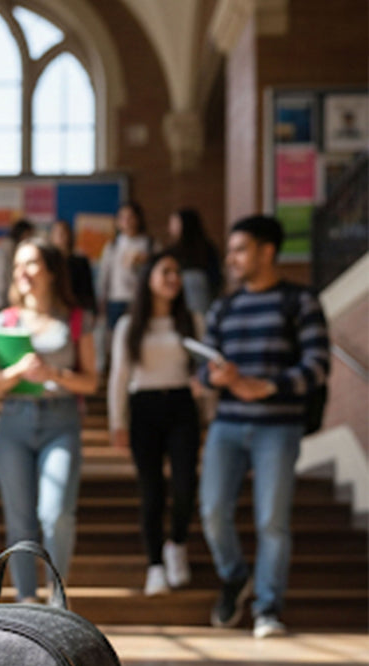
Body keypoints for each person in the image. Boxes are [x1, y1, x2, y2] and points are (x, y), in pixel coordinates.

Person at [198, 214, 330, 638]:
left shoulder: (300, 301)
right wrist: (213, 378)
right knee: (213, 511)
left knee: (272, 521)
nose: (232, 259)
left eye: (240, 249)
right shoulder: (225, 306)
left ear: (267, 250)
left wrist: (268, 386)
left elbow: (319, 366)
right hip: (227, 426)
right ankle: (235, 575)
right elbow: (202, 371)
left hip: (278, 427)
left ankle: (268, 608)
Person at [0, 238, 98, 601]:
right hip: (14, 421)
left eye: (31, 264)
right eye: (18, 265)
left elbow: (91, 381)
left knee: (56, 513)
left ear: (51, 271)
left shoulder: (76, 318)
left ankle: (56, 598)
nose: (22, 272)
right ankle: (26, 599)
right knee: (19, 518)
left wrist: (52, 372)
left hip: (60, 420)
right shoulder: (4, 320)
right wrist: (18, 370)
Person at [108, 249, 202, 595]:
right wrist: (117, 421)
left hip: (181, 405)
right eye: (165, 271)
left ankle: (176, 544)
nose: (173, 278)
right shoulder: (128, 325)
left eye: (177, 271)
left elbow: (204, 369)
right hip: (143, 407)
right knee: (151, 491)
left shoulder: (192, 319)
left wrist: (207, 401)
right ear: (148, 279)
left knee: (184, 484)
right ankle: (155, 566)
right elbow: (119, 376)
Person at [96, 201, 152, 331]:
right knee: (115, 337)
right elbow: (104, 276)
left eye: (131, 217)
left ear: (138, 219)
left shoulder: (149, 244)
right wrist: (101, 304)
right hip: (116, 300)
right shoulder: (112, 246)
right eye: (122, 217)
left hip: (140, 299)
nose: (127, 221)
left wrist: (144, 260)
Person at [167, 207, 223, 315]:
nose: (171, 227)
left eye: (175, 223)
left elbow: (215, 277)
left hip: (202, 299)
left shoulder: (205, 247)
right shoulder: (171, 250)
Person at [50, 218, 96, 315]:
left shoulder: (80, 261)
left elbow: (88, 289)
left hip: (77, 308)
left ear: (70, 235)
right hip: (55, 308)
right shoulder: (49, 263)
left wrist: (92, 310)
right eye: (57, 233)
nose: (61, 236)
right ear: (52, 236)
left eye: (63, 233)